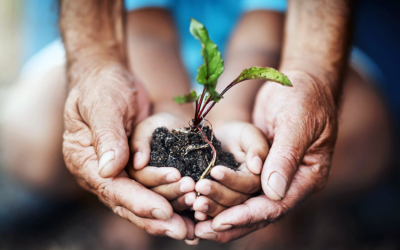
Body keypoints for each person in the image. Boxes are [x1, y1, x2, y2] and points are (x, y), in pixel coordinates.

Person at [0, 0, 392, 247]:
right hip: (128, 58)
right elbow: (143, 29)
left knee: (361, 134)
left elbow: (264, 34)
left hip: (276, 61)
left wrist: (232, 117)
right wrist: (161, 114)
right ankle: (117, 208)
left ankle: (282, 215)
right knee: (35, 134)